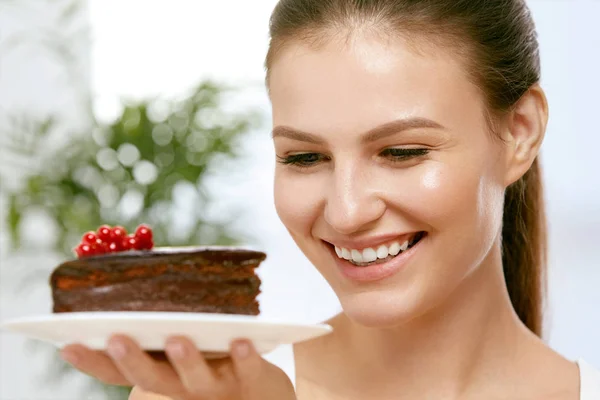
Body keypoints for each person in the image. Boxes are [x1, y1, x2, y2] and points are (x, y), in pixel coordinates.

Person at [60, 0, 600, 399]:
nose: (345, 212)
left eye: (402, 151)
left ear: (520, 133)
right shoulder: (198, 394)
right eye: (304, 158)